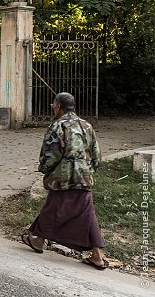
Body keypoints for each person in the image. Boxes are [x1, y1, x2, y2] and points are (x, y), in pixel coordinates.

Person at [22, 92, 106, 270]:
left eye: (54, 105)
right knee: (86, 213)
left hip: (63, 177)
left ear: (59, 106)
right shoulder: (87, 126)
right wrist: (90, 170)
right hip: (84, 177)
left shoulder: (58, 126)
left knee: (53, 208)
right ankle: (97, 255)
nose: (53, 108)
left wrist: (44, 168)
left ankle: (38, 240)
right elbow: (97, 155)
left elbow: (50, 154)